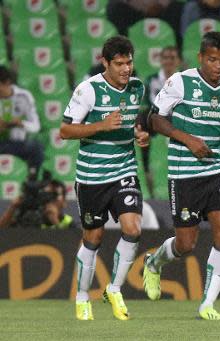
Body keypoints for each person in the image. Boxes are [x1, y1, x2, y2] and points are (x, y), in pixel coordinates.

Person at [141, 31, 220, 320]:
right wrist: (188, 139)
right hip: (184, 173)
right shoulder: (180, 82)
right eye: (212, 59)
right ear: (201, 58)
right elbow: (155, 119)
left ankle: (207, 304)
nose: (218, 65)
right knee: (186, 244)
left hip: (216, 169)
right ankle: (154, 263)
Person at [60, 36, 149, 321]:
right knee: (93, 237)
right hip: (92, 176)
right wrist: (100, 125)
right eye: (119, 64)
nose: (126, 69)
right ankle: (83, 296)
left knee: (133, 228)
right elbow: (65, 131)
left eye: (129, 62)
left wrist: (138, 133)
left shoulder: (137, 88)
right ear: (105, 63)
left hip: (124, 170)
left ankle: (114, 288)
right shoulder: (88, 90)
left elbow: (129, 121)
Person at [140, 46, 182, 196]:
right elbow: (146, 102)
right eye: (165, 58)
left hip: (177, 118)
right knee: (141, 119)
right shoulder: (152, 80)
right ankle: (144, 165)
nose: (169, 61)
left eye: (172, 58)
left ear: (178, 61)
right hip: (155, 118)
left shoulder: (184, 81)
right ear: (161, 60)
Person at [0, 65, 43, 176]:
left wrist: (20, 123)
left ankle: (31, 183)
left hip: (18, 144)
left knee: (36, 147)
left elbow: (36, 126)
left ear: (7, 82)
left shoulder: (24, 96)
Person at [0, 175, 75, 230]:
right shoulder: (26, 216)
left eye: (54, 196)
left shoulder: (68, 222)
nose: (50, 200)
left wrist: (55, 221)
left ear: (64, 202)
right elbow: (3, 234)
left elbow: (69, 245)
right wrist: (12, 208)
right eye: (47, 194)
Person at [106, 0, 184, 48]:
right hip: (137, 12)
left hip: (162, 11)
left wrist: (160, 5)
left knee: (177, 6)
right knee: (114, 6)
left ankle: (177, 50)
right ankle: (123, 48)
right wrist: (145, 9)